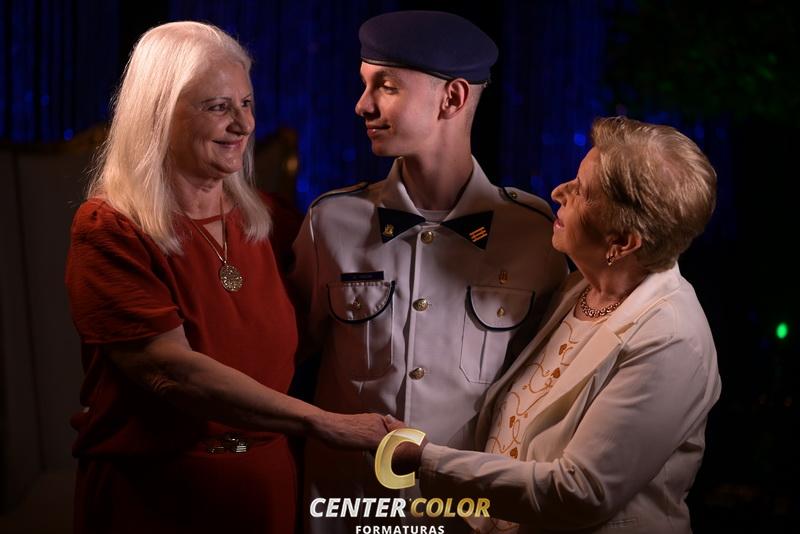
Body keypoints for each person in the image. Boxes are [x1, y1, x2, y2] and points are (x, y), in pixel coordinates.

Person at [65, 21, 387, 534]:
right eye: (219, 107)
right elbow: (175, 373)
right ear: (157, 115)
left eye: (247, 103)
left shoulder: (272, 219)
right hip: (156, 496)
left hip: (266, 486)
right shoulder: (110, 229)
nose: (244, 124)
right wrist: (323, 422)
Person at [290, 10, 567, 533]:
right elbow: (283, 360)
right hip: (348, 511)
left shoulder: (534, 234)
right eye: (365, 84)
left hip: (470, 516)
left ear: (452, 98)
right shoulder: (330, 223)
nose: (363, 104)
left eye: (386, 86)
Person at [388, 116, 721, 534]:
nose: (559, 192)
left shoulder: (672, 339)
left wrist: (422, 459)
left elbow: (580, 493)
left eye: (582, 191)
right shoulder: (576, 287)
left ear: (623, 242)